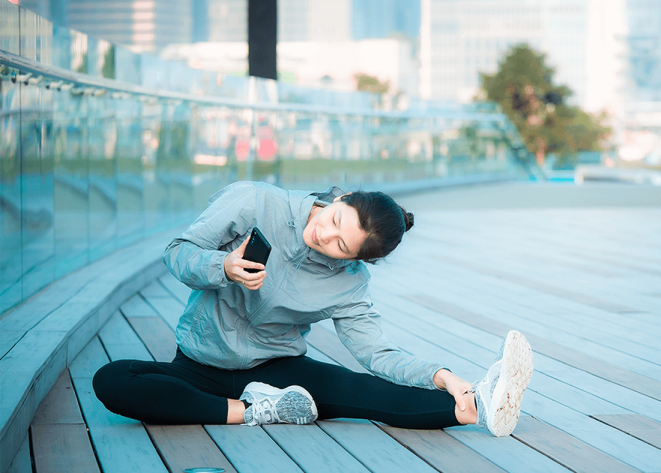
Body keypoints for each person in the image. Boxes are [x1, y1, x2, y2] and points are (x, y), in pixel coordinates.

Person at [92, 181, 533, 437]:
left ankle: (475, 404)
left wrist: (444, 377)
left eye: (343, 246)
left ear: (356, 260)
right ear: (341, 198)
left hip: (278, 370)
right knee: (112, 381)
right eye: (335, 221)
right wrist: (222, 266)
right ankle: (257, 412)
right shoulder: (256, 201)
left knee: (365, 393)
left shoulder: (349, 283)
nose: (326, 237)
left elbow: (376, 354)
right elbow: (177, 252)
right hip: (199, 363)